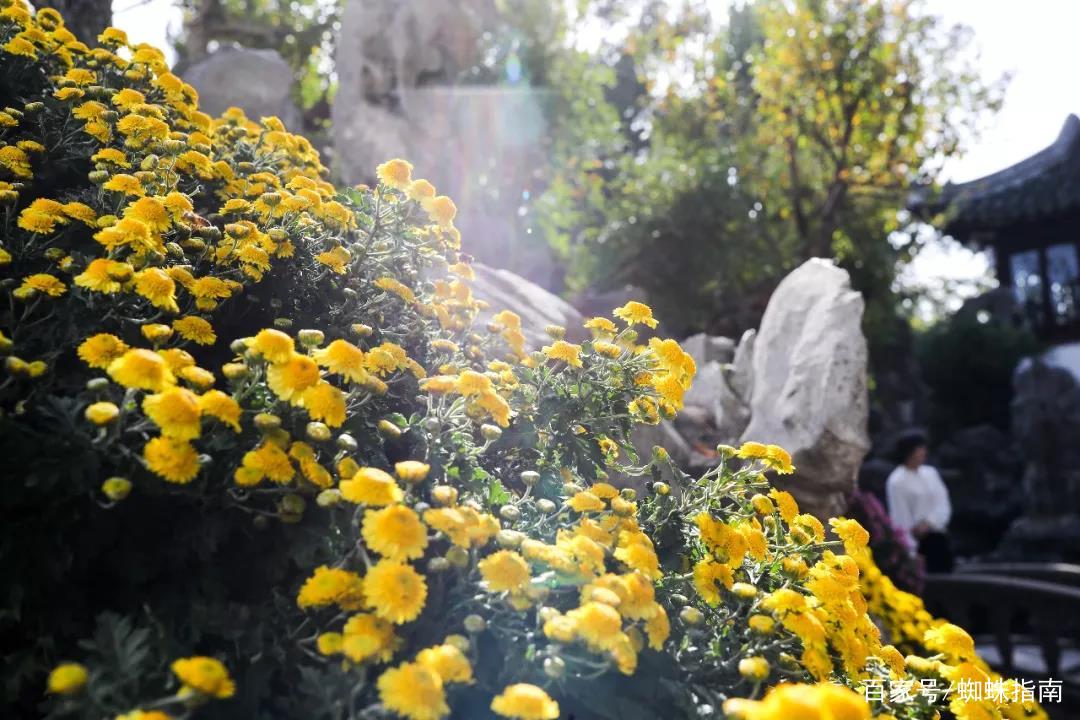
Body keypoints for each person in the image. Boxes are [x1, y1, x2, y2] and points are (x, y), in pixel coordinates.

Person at [885, 431, 954, 573]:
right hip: (919, 543)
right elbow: (900, 516)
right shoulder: (897, 481)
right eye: (920, 449)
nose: (924, 452)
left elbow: (943, 504)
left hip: (939, 536)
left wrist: (930, 522)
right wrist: (909, 550)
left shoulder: (931, 473)